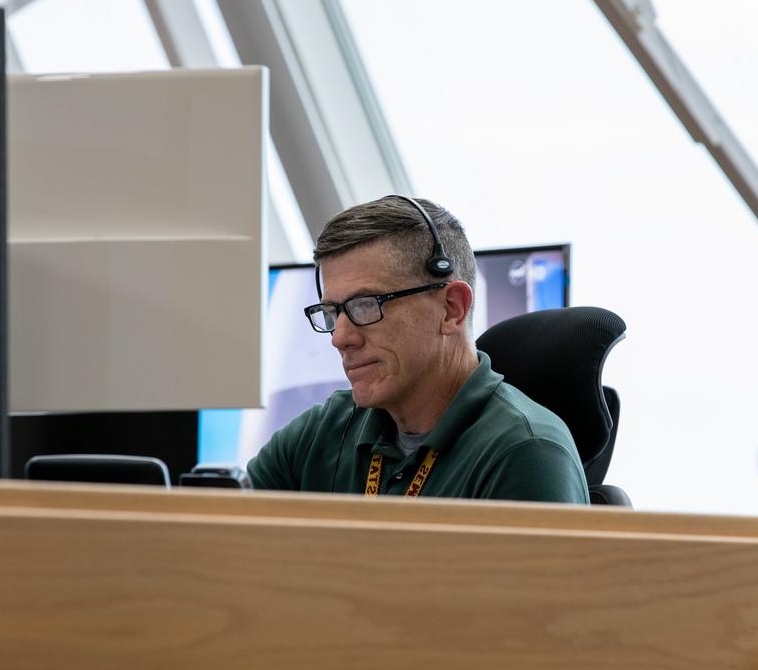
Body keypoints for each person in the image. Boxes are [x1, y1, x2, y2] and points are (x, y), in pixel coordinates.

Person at [247, 195, 589, 505]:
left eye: (365, 305)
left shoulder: (527, 453)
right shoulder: (319, 434)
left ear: (452, 309)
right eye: (332, 312)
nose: (340, 338)